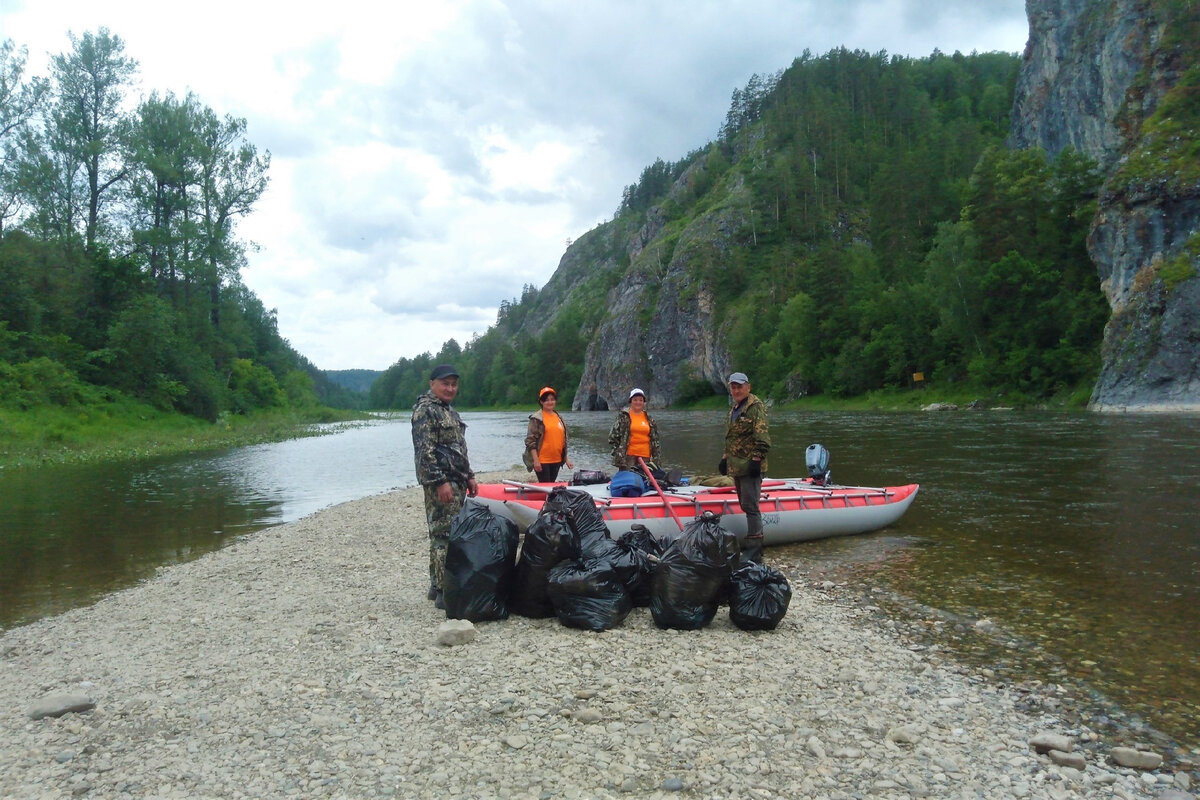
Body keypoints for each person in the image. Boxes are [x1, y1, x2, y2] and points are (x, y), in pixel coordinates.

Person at [411, 364, 478, 609]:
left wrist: (469, 475)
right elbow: (424, 453)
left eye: (454, 384)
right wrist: (440, 482)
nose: (450, 388)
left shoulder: (449, 411)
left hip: (457, 481)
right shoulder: (425, 411)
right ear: (432, 384)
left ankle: (435, 585)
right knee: (443, 536)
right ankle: (443, 592)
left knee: (448, 533)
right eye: (445, 384)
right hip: (441, 484)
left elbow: (459, 448)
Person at [719, 371, 771, 563]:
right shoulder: (734, 409)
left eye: (740, 386)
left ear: (748, 387)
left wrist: (756, 460)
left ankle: (755, 549)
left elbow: (763, 438)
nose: (736, 390)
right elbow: (731, 438)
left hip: (750, 465)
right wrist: (725, 459)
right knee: (744, 504)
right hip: (737, 466)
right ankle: (754, 546)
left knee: (751, 506)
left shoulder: (755, 408)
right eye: (733, 387)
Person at [524, 386, 574, 482]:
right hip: (542, 460)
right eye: (546, 400)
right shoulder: (536, 418)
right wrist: (536, 460)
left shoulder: (558, 417)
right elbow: (530, 441)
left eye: (552, 399)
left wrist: (566, 459)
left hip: (557, 460)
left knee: (552, 485)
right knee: (546, 485)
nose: (550, 402)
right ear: (541, 402)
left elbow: (562, 441)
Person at [608, 387, 661, 472]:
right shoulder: (623, 417)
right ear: (630, 401)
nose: (638, 402)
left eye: (640, 400)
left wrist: (656, 458)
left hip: (646, 456)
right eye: (635, 400)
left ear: (644, 402)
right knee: (628, 480)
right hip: (628, 457)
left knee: (644, 481)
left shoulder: (649, 419)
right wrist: (618, 452)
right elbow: (613, 437)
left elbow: (655, 440)